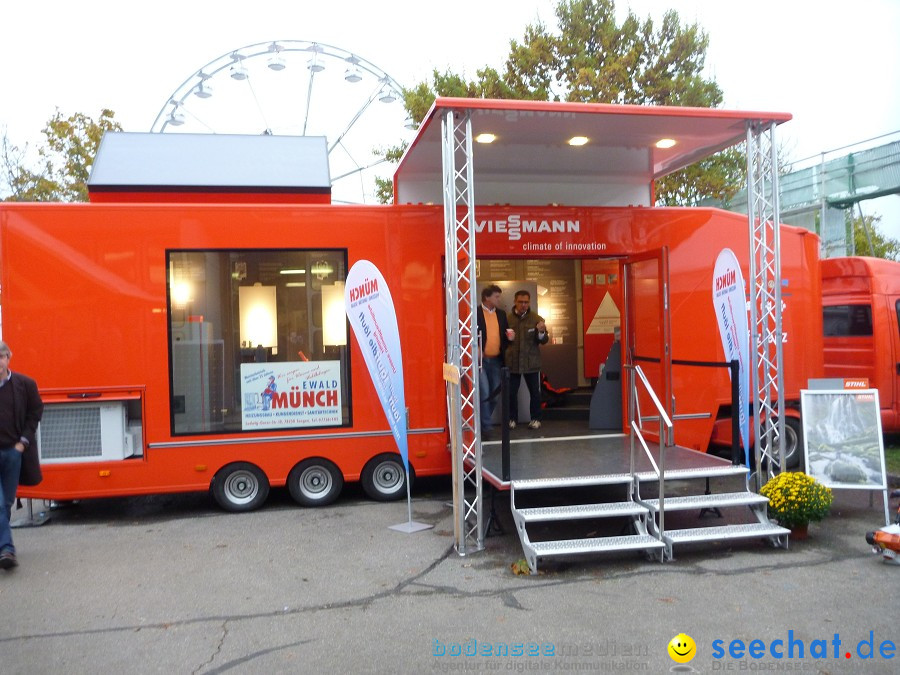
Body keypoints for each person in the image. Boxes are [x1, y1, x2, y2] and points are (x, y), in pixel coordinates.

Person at [0, 341, 44, 570]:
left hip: (13, 453)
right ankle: (7, 549)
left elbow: (36, 411)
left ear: (8, 358)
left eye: (1, 356)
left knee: (6, 504)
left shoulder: (25, 384)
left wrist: (22, 443)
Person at [505, 290, 549, 430]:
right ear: (515, 302)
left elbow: (544, 341)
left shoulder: (537, 318)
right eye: (520, 302)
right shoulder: (507, 319)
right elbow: (501, 341)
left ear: (529, 302)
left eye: (526, 302)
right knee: (511, 393)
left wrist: (541, 332)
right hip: (513, 362)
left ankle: (536, 419)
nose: (523, 305)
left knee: (535, 393)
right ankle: (512, 419)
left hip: (531, 362)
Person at [476, 284, 512, 433]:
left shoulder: (502, 314)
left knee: (495, 395)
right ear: (487, 297)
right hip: (481, 361)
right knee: (484, 392)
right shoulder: (475, 313)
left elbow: (506, 335)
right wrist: (475, 348)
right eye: (496, 296)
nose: (499, 299)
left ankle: (483, 422)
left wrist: (510, 337)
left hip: (497, 360)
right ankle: (485, 427)